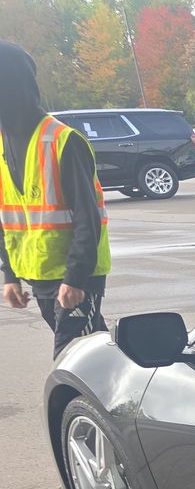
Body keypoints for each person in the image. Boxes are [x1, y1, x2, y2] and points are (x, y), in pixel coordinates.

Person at [0, 40, 111, 356]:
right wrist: (9, 275)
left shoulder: (63, 141)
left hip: (77, 275)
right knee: (94, 353)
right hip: (40, 275)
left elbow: (88, 218)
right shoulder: (2, 143)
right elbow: (5, 218)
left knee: (74, 359)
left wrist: (76, 278)